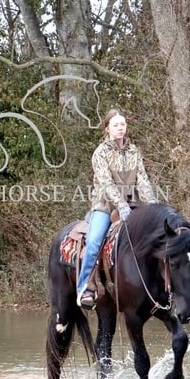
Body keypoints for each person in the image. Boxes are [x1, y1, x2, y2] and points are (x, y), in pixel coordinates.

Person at [76, 108, 158, 308]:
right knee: (94, 241)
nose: (120, 128)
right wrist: (119, 204)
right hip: (104, 205)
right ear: (107, 129)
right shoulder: (100, 153)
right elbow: (106, 183)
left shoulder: (134, 151)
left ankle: (166, 283)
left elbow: (143, 180)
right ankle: (84, 288)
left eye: (123, 124)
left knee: (157, 233)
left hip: (131, 203)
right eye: (116, 125)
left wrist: (154, 205)